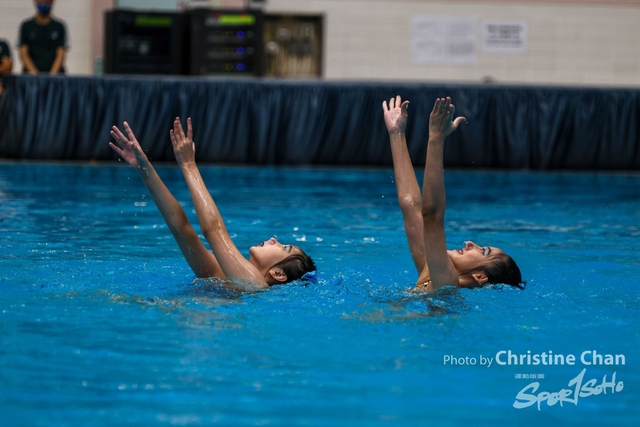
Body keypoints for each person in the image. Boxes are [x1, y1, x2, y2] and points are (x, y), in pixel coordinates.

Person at [109, 118, 316, 288]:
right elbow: (181, 229)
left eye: (284, 248)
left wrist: (188, 164)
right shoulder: (226, 278)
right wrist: (144, 168)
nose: (274, 239)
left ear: (278, 273)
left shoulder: (254, 284)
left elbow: (213, 230)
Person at [382, 95, 523, 291]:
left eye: (483, 251)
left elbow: (431, 215)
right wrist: (396, 133)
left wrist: (436, 138)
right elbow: (411, 206)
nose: (470, 243)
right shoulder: (432, 273)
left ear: (480, 277)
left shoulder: (447, 284)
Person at [18, 0, 67, 75]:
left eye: (47, 1)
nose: (44, 2)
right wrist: (36, 75)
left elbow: (61, 54)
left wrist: (51, 76)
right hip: (31, 76)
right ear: (35, 1)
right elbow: (24, 54)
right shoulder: (26, 26)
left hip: (55, 75)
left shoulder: (59, 27)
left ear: (52, 2)